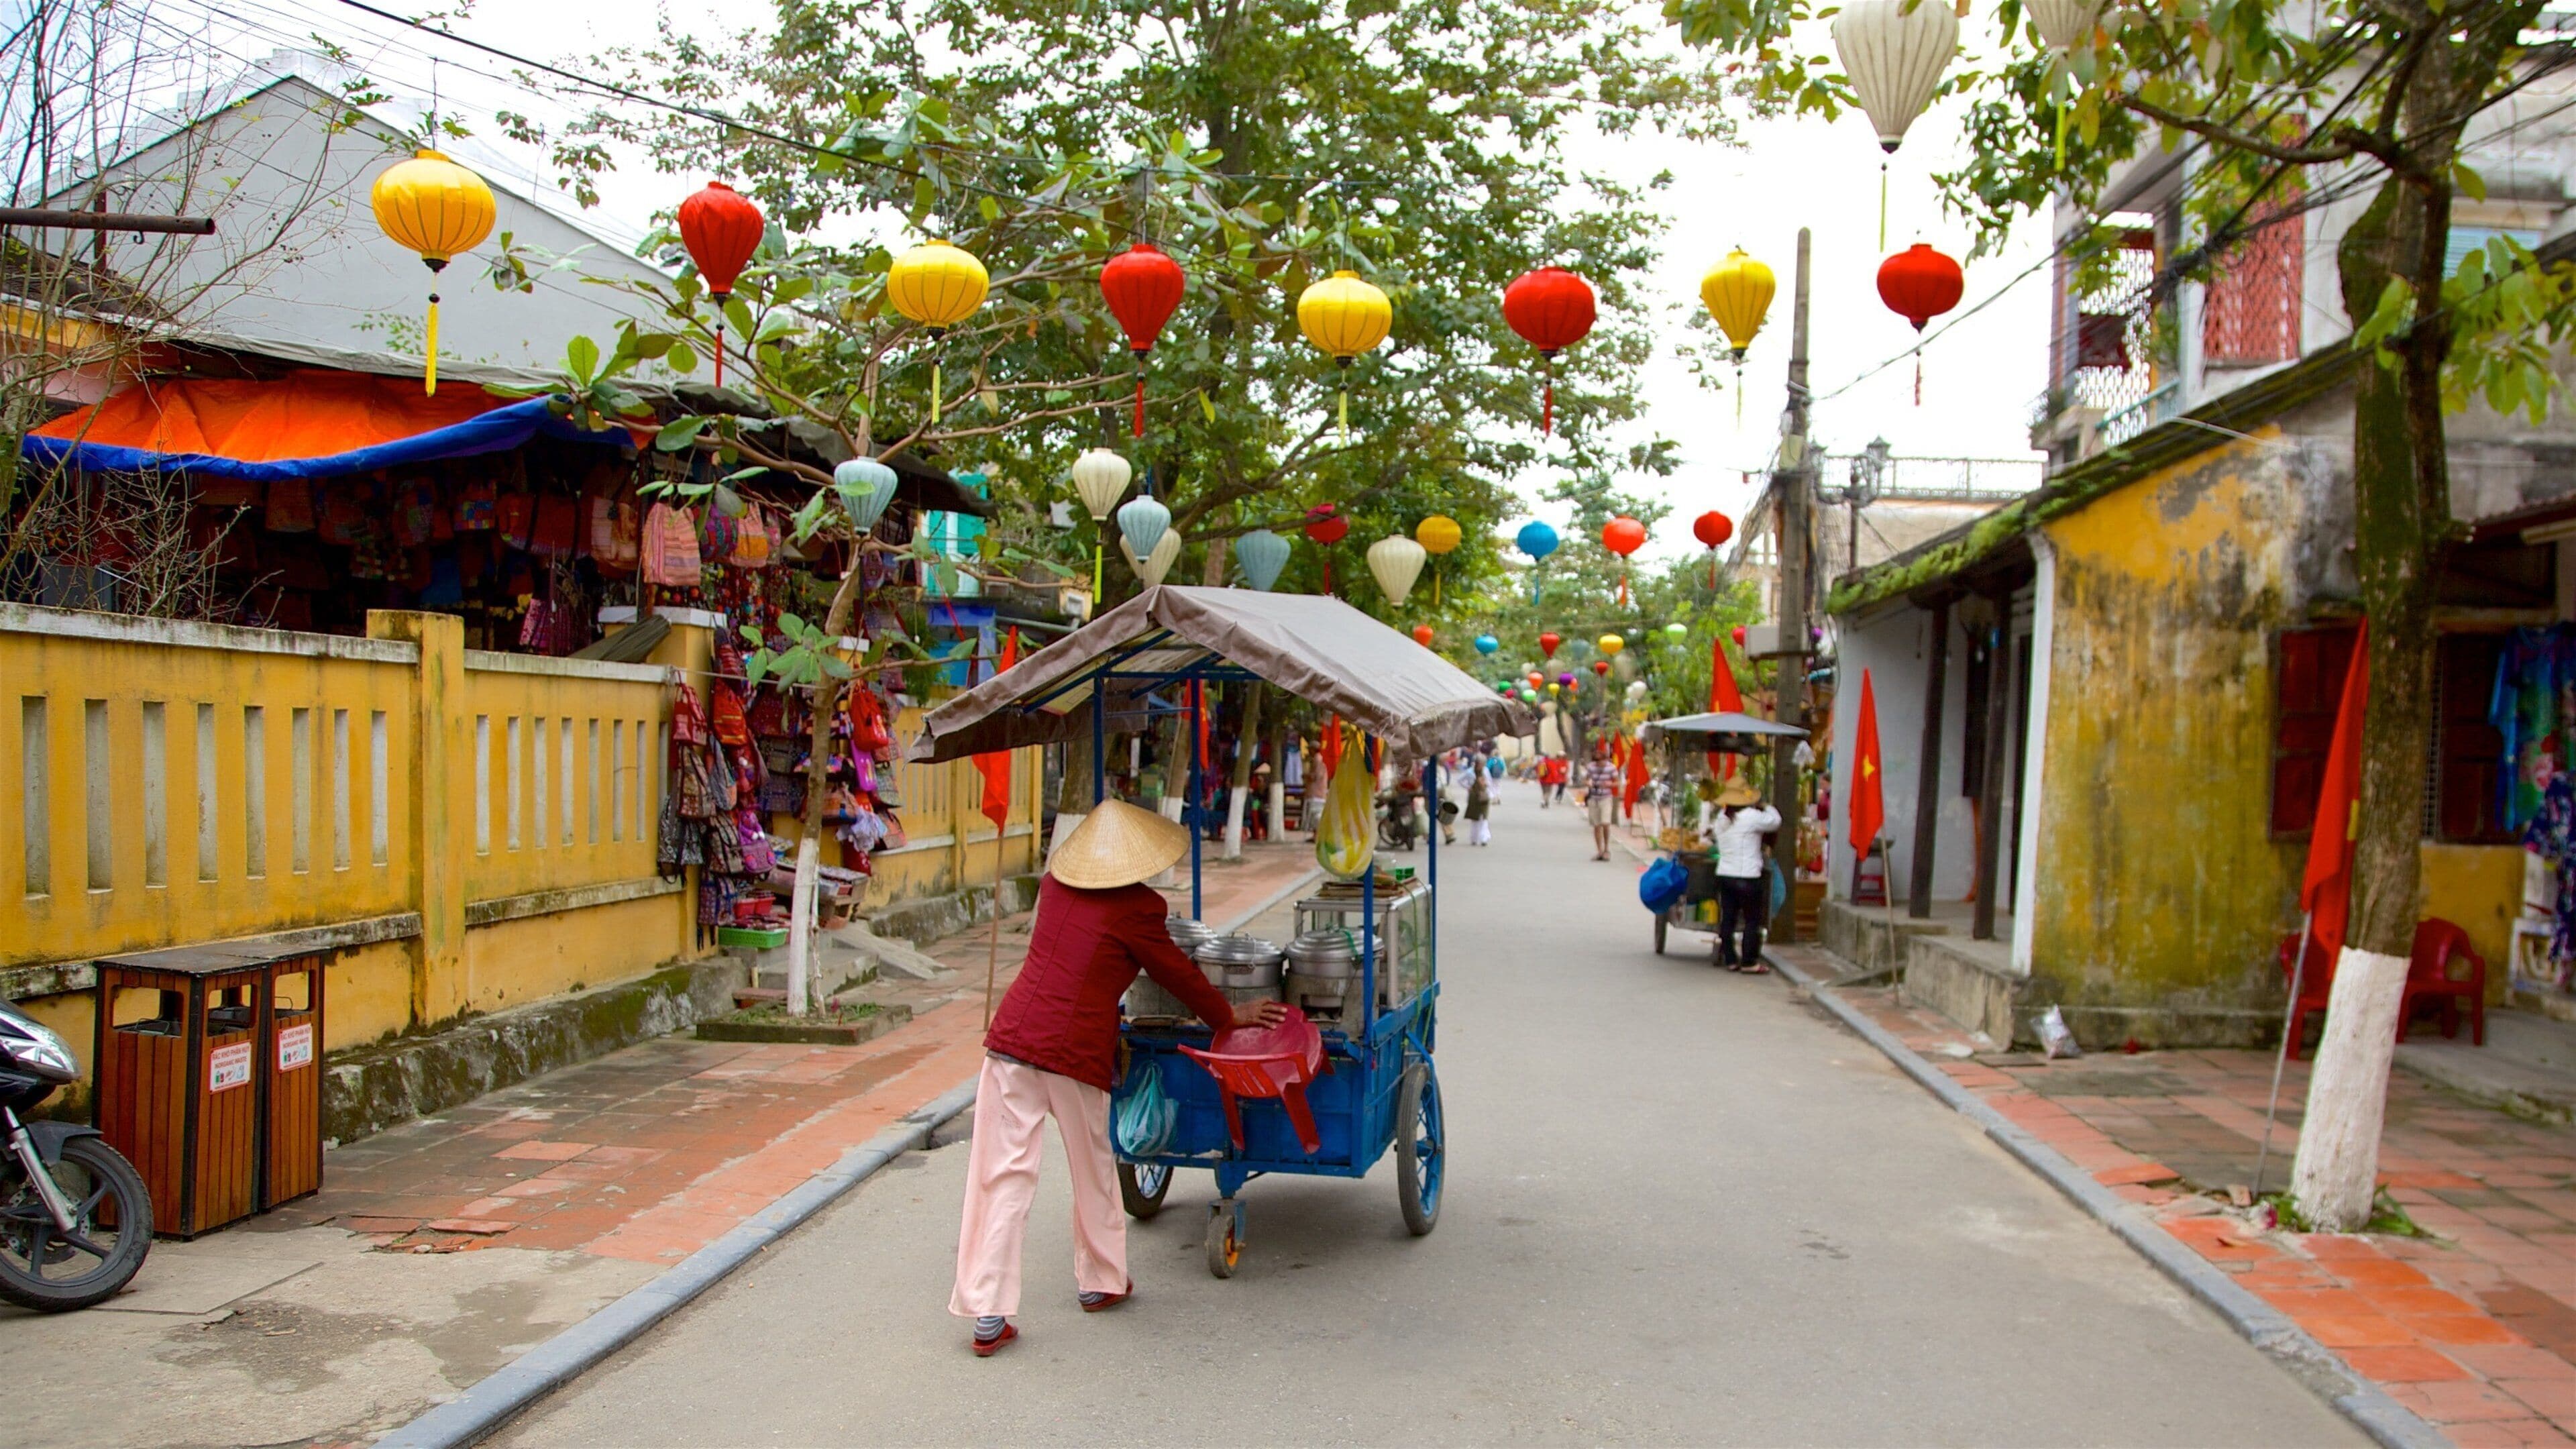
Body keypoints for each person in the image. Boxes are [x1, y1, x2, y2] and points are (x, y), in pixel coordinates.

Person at [951, 800, 1286, 1356]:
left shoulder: (1056, 884)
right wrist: (1230, 1016)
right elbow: (1175, 971)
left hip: (1012, 1042)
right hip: (1075, 1051)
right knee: (1095, 1170)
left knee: (1000, 1178)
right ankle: (1102, 1282)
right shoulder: (1139, 908)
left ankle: (988, 1314)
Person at [1710, 778, 1783, 972]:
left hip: (1725, 875)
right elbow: (1775, 822)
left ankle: (1730, 959)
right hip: (1748, 877)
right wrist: (1766, 806)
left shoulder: (1721, 819)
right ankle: (1749, 962)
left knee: (1728, 918)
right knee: (1752, 919)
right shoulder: (1751, 816)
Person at [1582, 743, 1621, 861]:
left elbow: (1618, 782)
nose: (1600, 764)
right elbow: (1585, 779)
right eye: (1597, 762)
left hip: (1606, 798)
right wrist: (1588, 783)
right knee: (1597, 825)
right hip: (1594, 798)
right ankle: (1599, 851)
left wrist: (1610, 784)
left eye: (1602, 761)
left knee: (1606, 823)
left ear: (1606, 759)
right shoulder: (1591, 767)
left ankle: (1607, 849)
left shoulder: (1611, 768)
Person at [1464, 758, 1492, 846]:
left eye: (1482, 764)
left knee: (1484, 818)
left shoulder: (1485, 771)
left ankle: (1484, 838)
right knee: (1474, 819)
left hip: (1484, 797)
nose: (1481, 766)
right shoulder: (1470, 772)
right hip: (1474, 798)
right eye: (1480, 764)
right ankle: (1474, 839)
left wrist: (1485, 784)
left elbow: (1490, 782)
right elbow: (1460, 780)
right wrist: (1468, 787)